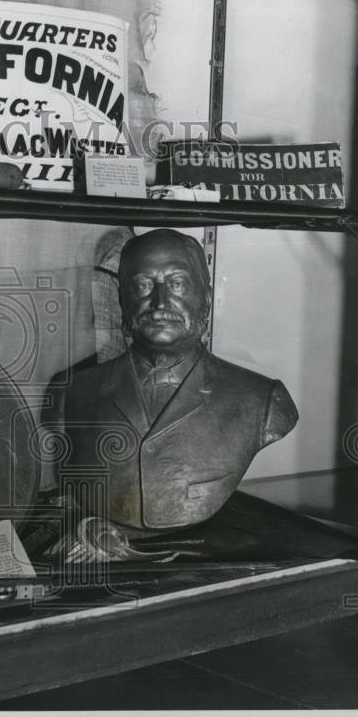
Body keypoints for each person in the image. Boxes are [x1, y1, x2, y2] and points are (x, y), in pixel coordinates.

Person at [46, 229, 298, 549]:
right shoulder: (71, 392)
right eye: (142, 285)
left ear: (205, 299)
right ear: (122, 300)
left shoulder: (263, 401)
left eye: (178, 284)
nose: (159, 302)